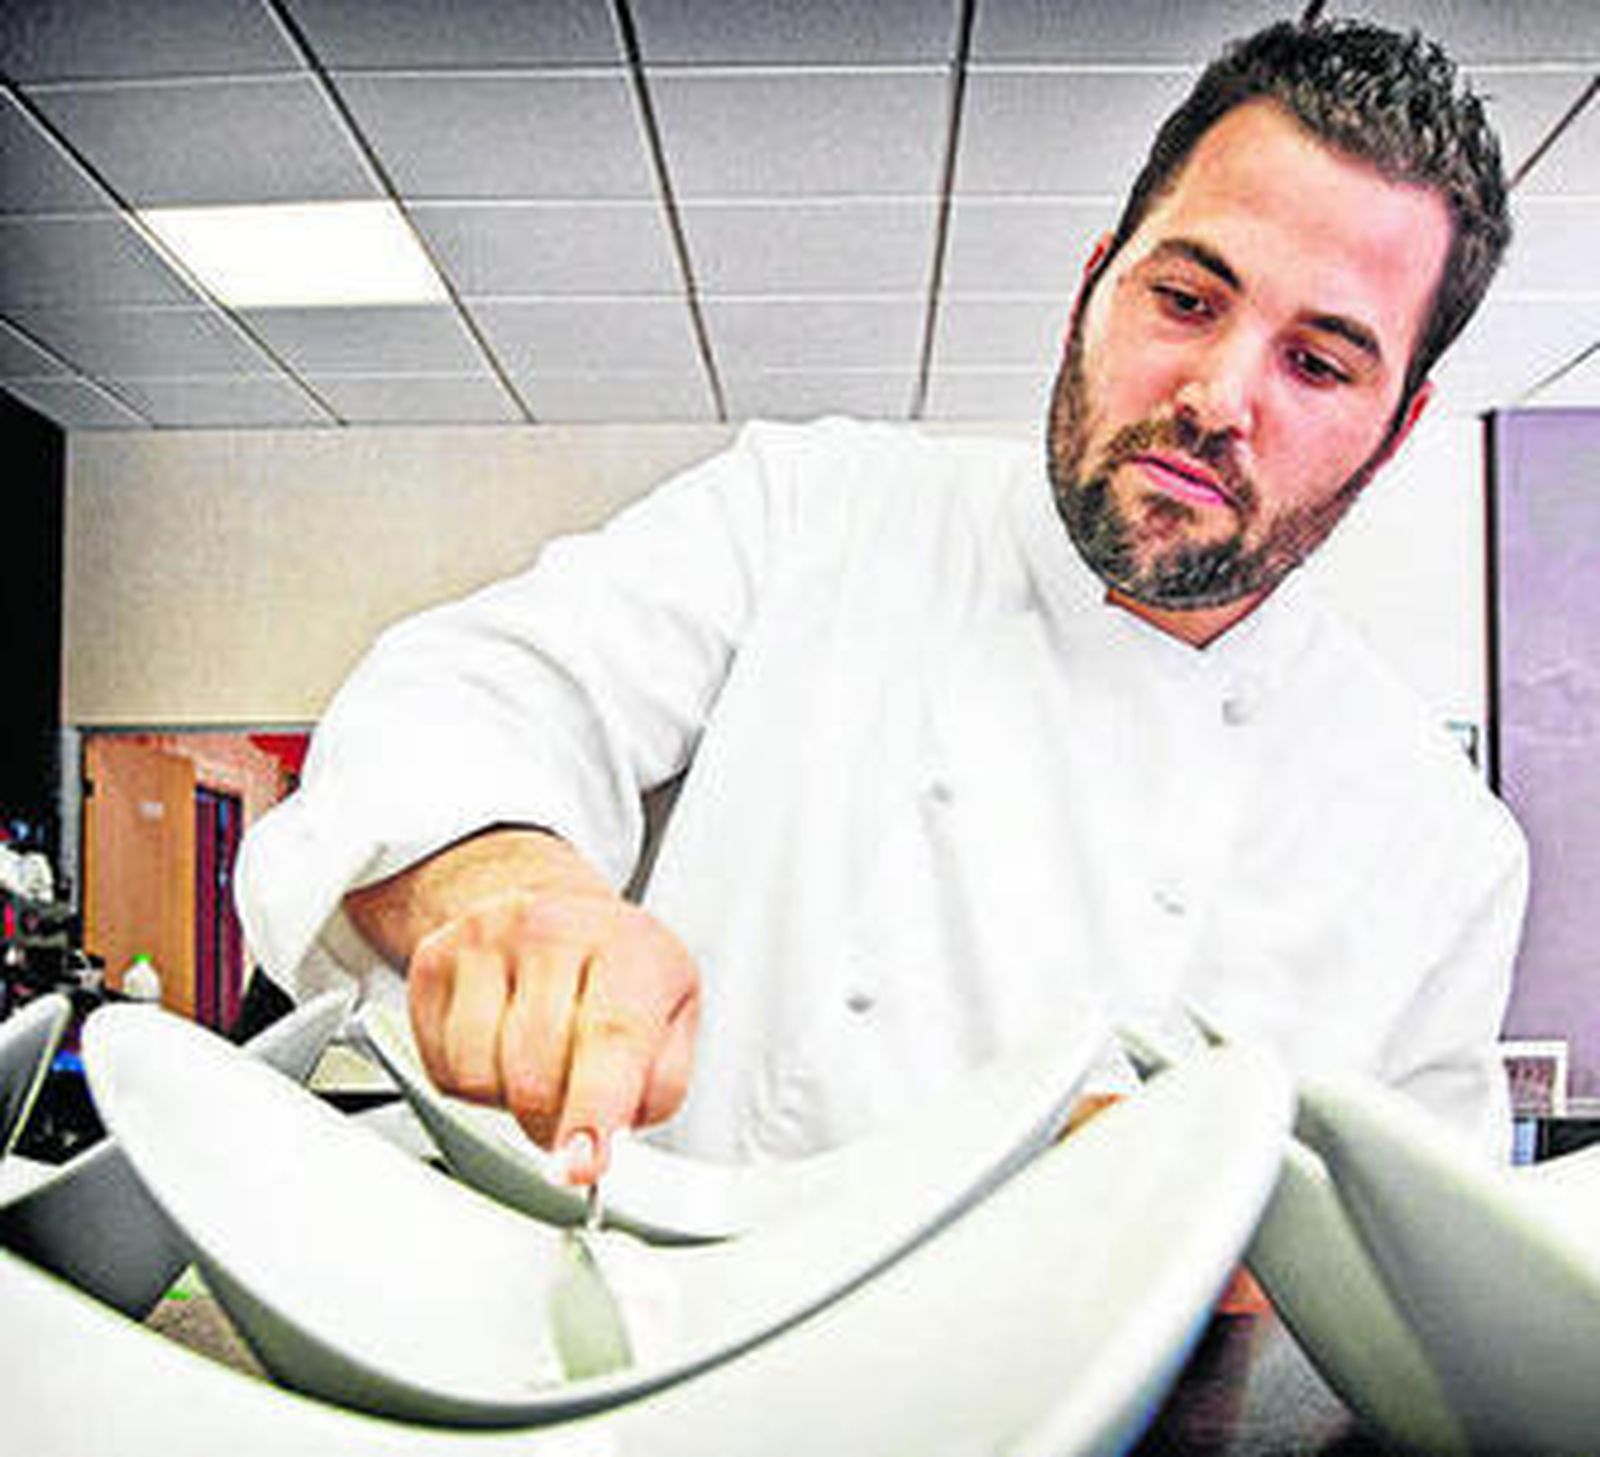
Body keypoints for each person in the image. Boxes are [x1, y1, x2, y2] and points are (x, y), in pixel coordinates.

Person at [236, 16, 1527, 1184]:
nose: (1217, 395)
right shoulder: (815, 511)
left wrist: (1222, 1206)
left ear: (1398, 427)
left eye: (1316, 361)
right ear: (1093, 288)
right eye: (1185, 300)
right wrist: (516, 895)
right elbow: (474, 695)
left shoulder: (1435, 842)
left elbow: (1410, 1268)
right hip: (657, 1371)